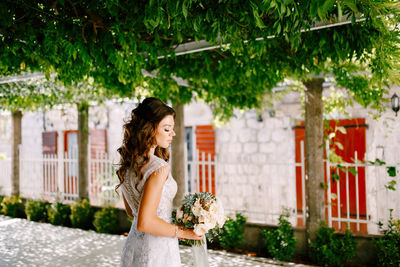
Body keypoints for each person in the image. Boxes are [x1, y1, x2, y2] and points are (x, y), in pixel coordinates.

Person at [116, 97, 203, 267]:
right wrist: (185, 232)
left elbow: (132, 212)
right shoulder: (158, 168)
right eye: (166, 129)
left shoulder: (128, 165)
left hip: (133, 248)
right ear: (149, 129)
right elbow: (145, 222)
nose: (173, 133)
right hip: (157, 250)